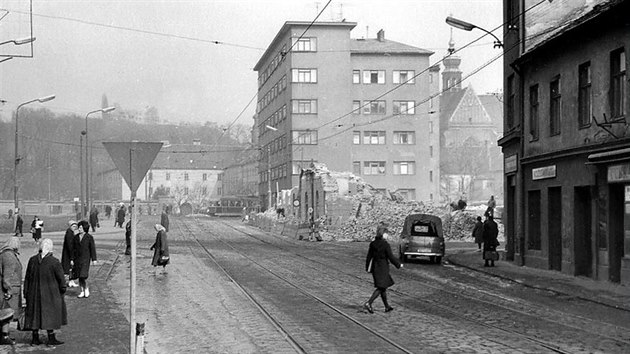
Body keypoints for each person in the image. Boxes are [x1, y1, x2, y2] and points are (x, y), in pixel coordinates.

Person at [23, 238, 67, 346]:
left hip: (33, 292)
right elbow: (61, 279)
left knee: (35, 315)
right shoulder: (54, 262)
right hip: (50, 292)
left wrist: (26, 292)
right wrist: (62, 289)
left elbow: (27, 277)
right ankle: (51, 338)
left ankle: (35, 338)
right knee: (50, 315)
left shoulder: (32, 260)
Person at [363, 224, 402, 314]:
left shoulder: (373, 244)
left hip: (375, 268)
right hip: (383, 268)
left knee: (383, 287)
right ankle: (369, 303)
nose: (387, 235)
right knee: (381, 287)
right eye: (386, 233)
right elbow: (391, 257)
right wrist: (398, 265)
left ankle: (386, 306)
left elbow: (369, 257)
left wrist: (368, 268)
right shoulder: (385, 245)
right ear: (383, 234)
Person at [0, 237, 23, 345]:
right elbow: (7, 276)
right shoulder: (9, 256)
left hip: (10, 287)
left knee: (5, 312)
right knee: (7, 313)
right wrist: (8, 290)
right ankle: (5, 336)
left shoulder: (6, 254)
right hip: (10, 288)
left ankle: (4, 335)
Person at [75, 221, 97, 298]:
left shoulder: (89, 237)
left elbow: (92, 249)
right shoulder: (76, 237)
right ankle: (81, 291)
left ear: (85, 228)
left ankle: (86, 288)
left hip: (85, 259)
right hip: (77, 259)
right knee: (79, 275)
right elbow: (73, 250)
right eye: (79, 227)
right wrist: (71, 259)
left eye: (81, 227)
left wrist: (94, 259)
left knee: (84, 275)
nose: (79, 229)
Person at [61, 220, 80, 288]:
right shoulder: (69, 234)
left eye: (75, 226)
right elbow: (70, 246)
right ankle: (69, 281)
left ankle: (71, 281)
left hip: (68, 254)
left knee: (70, 269)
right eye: (73, 226)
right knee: (70, 268)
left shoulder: (70, 233)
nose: (74, 227)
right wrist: (72, 257)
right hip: (69, 255)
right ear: (70, 226)